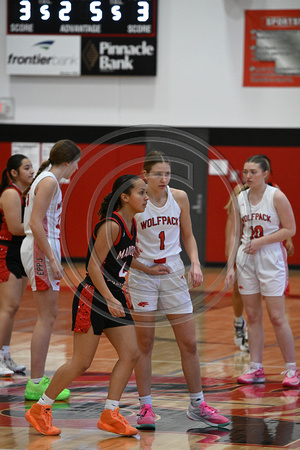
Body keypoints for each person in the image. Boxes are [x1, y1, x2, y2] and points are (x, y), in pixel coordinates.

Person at [25, 174, 149, 437]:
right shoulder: (111, 225)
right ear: (124, 197)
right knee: (81, 362)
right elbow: (93, 267)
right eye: (142, 192)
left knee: (131, 354)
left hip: (112, 294)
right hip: (93, 297)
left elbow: (120, 259)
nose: (147, 197)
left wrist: (149, 268)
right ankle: (41, 408)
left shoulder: (132, 224)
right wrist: (112, 298)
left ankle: (110, 413)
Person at [128, 151, 230, 429]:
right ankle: (145, 406)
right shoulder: (136, 202)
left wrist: (195, 263)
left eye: (167, 173)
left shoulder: (179, 197)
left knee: (190, 342)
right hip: (143, 275)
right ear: (145, 175)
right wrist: (138, 267)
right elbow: (123, 246)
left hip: (173, 270)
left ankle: (198, 404)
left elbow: (188, 235)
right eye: (158, 173)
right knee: (145, 344)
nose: (164, 178)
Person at [225, 154, 298, 386]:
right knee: (253, 316)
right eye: (245, 171)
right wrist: (229, 267)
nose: (247, 176)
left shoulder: (276, 196)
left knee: (277, 317)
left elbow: (290, 229)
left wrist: (262, 241)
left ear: (265, 174)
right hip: (246, 259)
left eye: (253, 172)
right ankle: (256, 368)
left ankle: (292, 370)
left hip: (271, 259)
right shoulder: (240, 198)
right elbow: (235, 234)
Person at [21, 140, 81, 400]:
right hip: (39, 250)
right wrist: (53, 260)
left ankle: (38, 377)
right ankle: (35, 382)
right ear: (67, 162)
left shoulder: (46, 179)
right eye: (76, 162)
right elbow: (36, 223)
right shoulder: (49, 181)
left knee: (49, 315)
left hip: (41, 249)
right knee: (46, 317)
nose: (77, 168)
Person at [0, 155, 34, 376]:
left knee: (12, 309)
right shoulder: (11, 193)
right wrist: (40, 223)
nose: (32, 171)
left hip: (19, 251)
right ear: (14, 173)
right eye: (27, 167)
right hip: (6, 251)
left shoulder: (24, 194)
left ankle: (5, 355)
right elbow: (14, 227)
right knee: (8, 307)